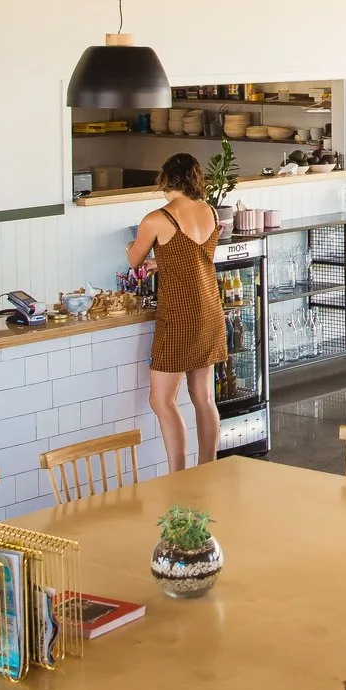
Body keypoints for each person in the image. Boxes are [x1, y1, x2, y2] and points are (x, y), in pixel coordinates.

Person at [126, 153, 228, 471]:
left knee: (161, 400)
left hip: (180, 316)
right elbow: (193, 256)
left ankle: (178, 474)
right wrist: (163, 261)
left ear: (166, 179)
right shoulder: (210, 211)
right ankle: (208, 469)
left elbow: (134, 260)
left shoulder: (158, 218)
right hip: (210, 310)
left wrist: (133, 250)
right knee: (203, 397)